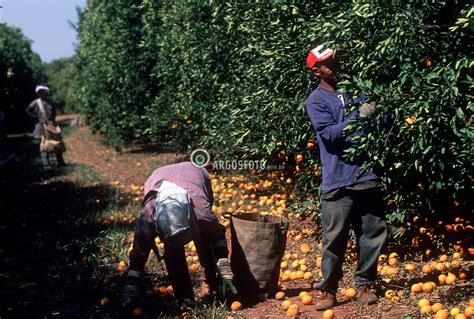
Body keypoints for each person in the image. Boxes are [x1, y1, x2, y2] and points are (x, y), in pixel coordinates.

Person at [304, 45, 387, 310]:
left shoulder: (356, 91)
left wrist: (382, 110)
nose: (335, 66)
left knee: (372, 233)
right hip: (337, 179)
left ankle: (365, 284)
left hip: (366, 175)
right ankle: (328, 289)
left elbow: (380, 123)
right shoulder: (315, 101)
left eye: (336, 60)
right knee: (334, 238)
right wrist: (360, 118)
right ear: (316, 71)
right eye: (328, 63)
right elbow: (329, 135)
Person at [122, 161, 236, 314]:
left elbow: (216, 234)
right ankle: (185, 299)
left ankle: (211, 284)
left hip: (193, 172)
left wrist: (223, 263)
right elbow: (139, 253)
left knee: (205, 237)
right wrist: (132, 286)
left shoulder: (202, 213)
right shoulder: (149, 216)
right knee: (173, 252)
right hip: (157, 176)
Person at [25, 85, 65, 168]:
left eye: (44, 92)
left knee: (57, 143)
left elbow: (54, 112)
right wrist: (35, 117)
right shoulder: (36, 102)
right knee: (44, 145)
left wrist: (53, 121)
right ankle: (46, 164)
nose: (42, 93)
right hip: (41, 125)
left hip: (51, 124)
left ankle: (60, 162)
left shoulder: (50, 102)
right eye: (40, 92)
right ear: (38, 93)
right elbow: (27, 110)